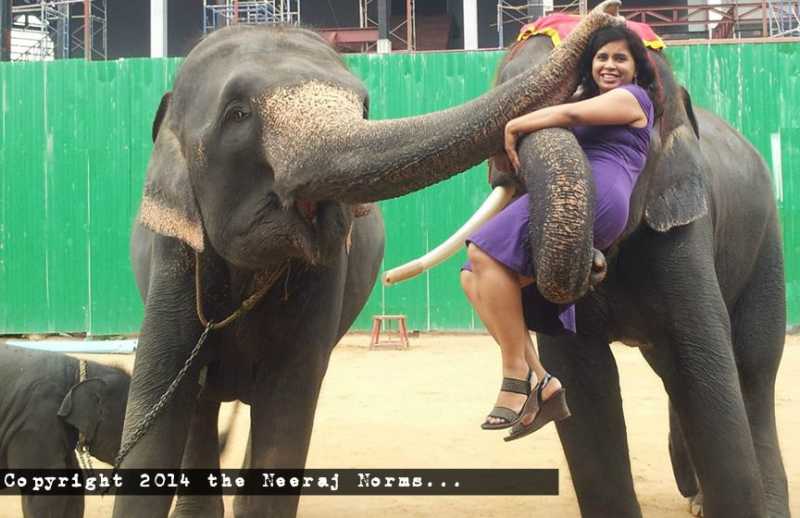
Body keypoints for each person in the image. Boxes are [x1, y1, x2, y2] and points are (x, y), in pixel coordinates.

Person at [461, 25, 662, 441]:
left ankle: (515, 376)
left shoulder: (633, 98)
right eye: (602, 57)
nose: (609, 65)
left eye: (620, 58)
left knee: (482, 253)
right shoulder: (587, 97)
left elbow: (568, 117)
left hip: (589, 195)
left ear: (636, 68)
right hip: (566, 189)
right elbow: (567, 112)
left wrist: (514, 125)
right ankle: (543, 381)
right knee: (471, 277)